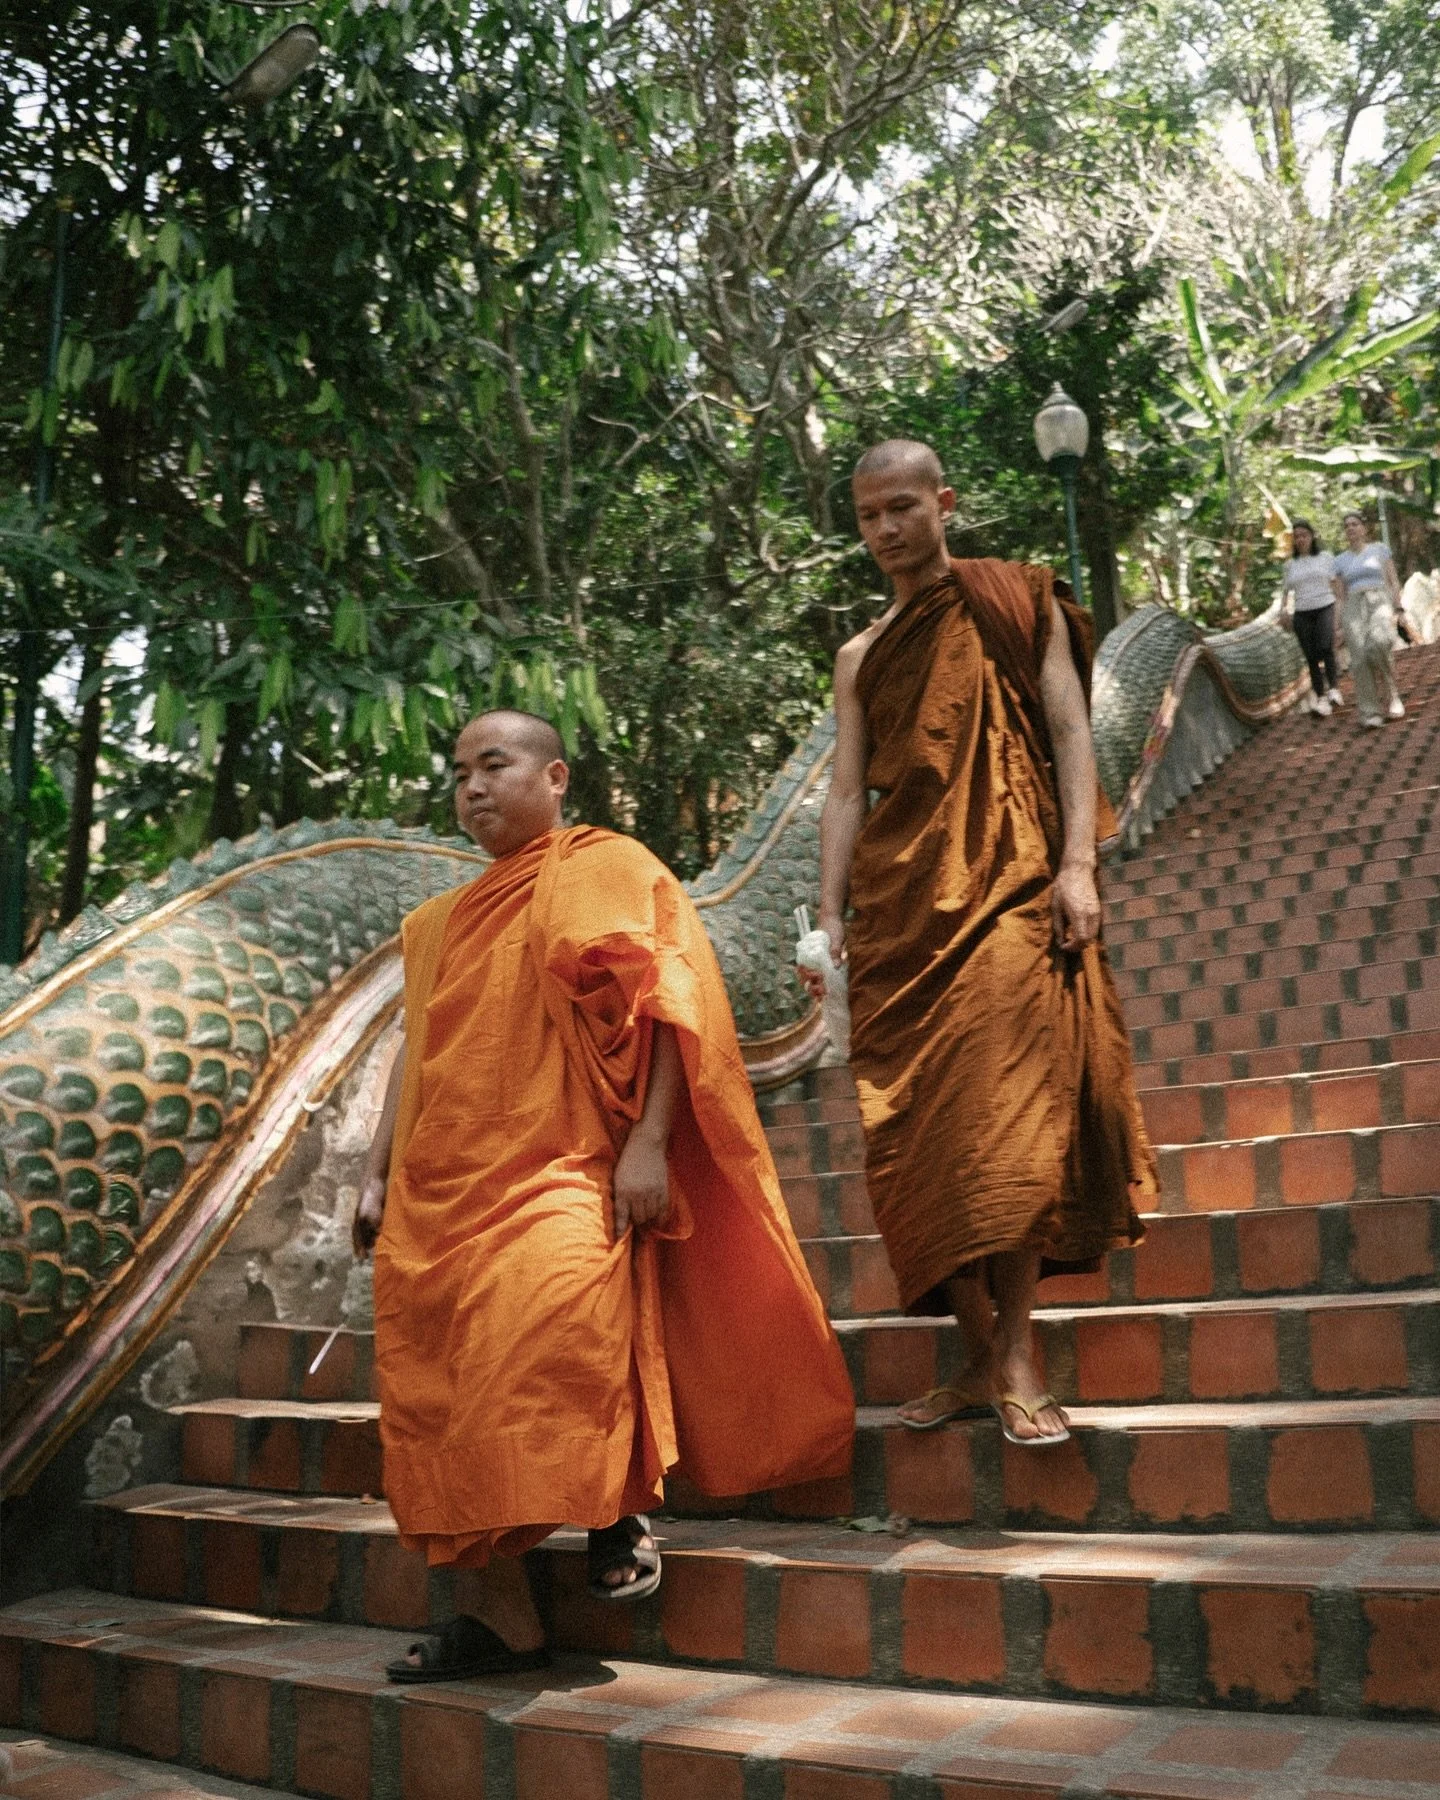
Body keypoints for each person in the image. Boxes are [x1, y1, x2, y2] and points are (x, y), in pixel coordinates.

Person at [354, 710, 853, 1681]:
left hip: (564, 1165)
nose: (472, 787)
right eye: (459, 772)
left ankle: (616, 1506)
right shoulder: (436, 924)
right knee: (443, 1398)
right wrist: (375, 1170)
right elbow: (416, 1048)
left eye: (494, 764)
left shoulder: (608, 867)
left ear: (556, 776)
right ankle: (500, 1621)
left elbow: (669, 1001)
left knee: (561, 1331)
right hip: (439, 1190)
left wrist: (653, 1144)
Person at [800, 440, 1155, 1446]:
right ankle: (973, 1351)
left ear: (944, 502)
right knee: (918, 1138)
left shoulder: (1013, 599)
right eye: (869, 516)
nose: (886, 531)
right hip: (900, 908)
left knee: (1004, 1124)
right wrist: (829, 916)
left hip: (1010, 885)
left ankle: (1016, 1354)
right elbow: (844, 789)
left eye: (903, 507)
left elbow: (1072, 731)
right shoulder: (862, 656)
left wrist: (1079, 865)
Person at [1334, 511, 1406, 727]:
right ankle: (1370, 712)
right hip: (1353, 607)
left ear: (1364, 528)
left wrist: (1399, 607)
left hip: (1378, 599)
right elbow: (1339, 597)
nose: (1351, 528)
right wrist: (1337, 626)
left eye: (1355, 524)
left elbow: (1392, 581)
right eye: (1346, 525)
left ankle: (1392, 694)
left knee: (1380, 642)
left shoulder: (1380, 550)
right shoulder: (1339, 561)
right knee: (1360, 659)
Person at [1281, 520, 1344, 717]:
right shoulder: (1290, 564)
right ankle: (1321, 697)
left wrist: (1339, 609)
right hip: (1302, 612)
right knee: (1311, 656)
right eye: (1297, 536)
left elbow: (1335, 584)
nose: (1300, 539)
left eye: (1304, 535)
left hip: (1325, 606)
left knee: (1326, 647)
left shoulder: (1325, 558)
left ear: (1312, 536)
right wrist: (1283, 610)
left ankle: (1334, 688)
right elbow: (1285, 591)